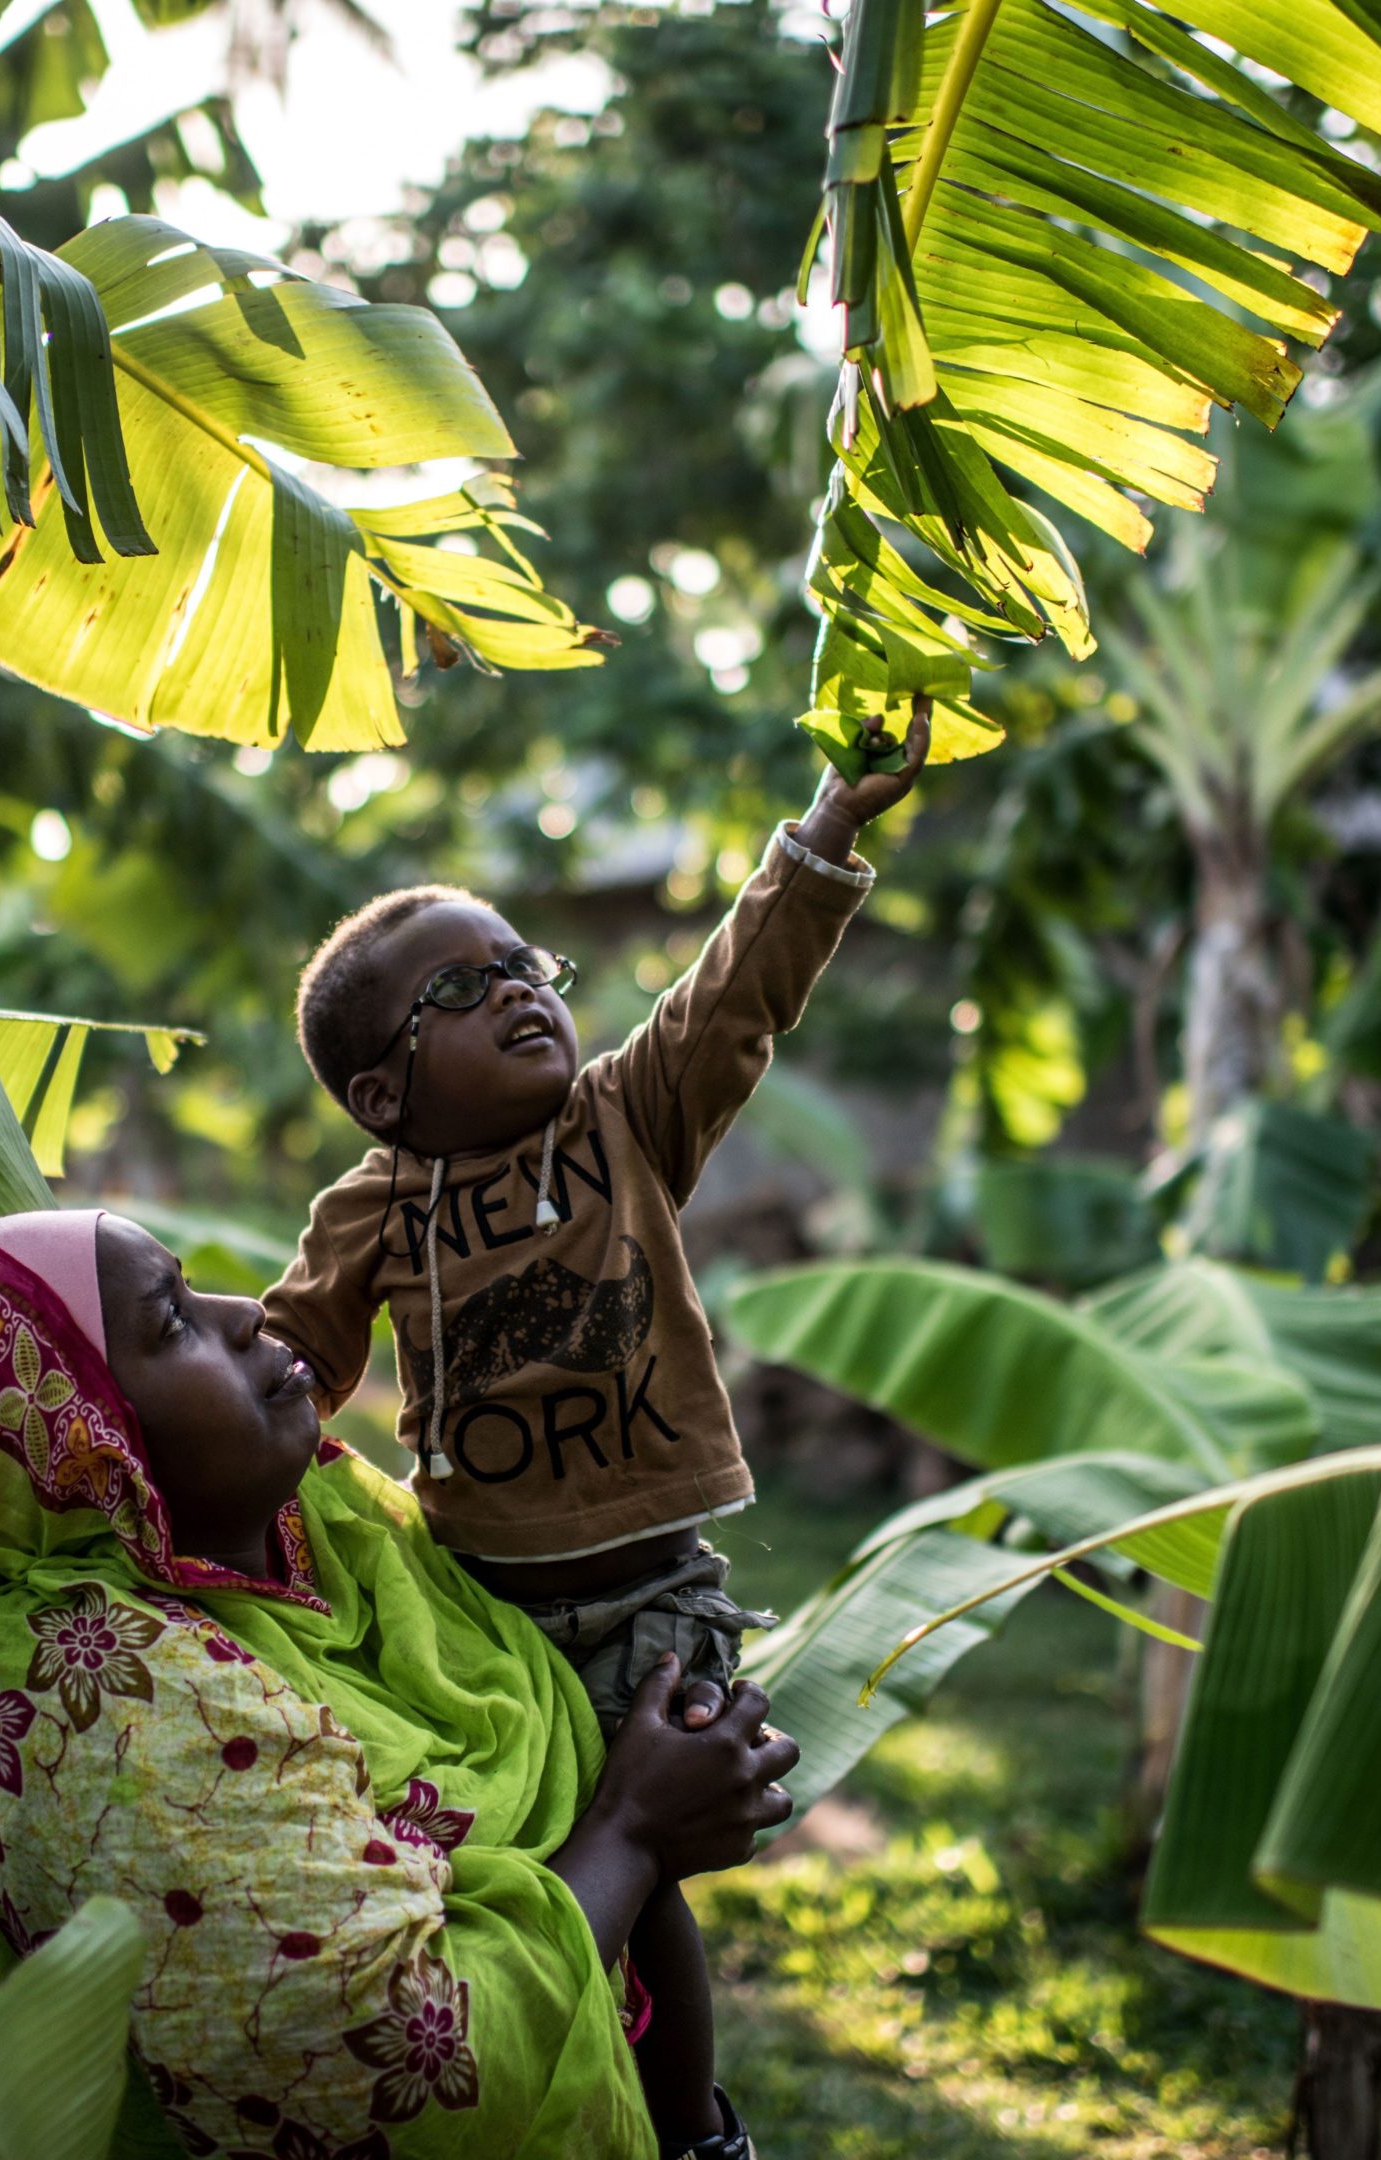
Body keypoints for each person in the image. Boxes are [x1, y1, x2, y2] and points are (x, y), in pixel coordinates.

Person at [258, 705, 931, 2146]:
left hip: (647, 1603)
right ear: (384, 1092)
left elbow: (730, 997)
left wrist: (823, 837)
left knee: (655, 1885)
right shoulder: (368, 1210)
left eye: (523, 964)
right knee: (531, 1867)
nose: (517, 990)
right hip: (479, 1612)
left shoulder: (624, 1123)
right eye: (461, 987)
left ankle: (693, 2131)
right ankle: (564, 2097)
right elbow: (289, 1367)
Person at [0, 1207, 801, 2159]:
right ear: (82, 1447)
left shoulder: (335, 1542)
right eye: (172, 1321)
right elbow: (397, 2078)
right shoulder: (102, 1699)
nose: (243, 1313)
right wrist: (632, 1833)